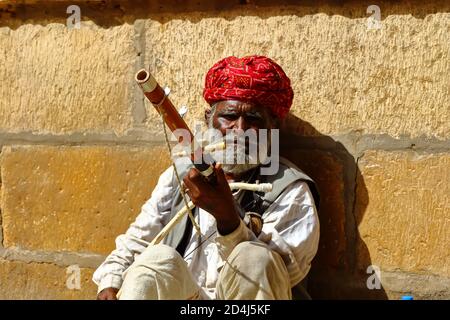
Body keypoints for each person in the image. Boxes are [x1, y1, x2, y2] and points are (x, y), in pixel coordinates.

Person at [93, 55, 320, 300]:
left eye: (253, 119)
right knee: (155, 261)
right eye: (229, 117)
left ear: (273, 129)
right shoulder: (180, 175)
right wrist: (111, 284)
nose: (240, 130)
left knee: (254, 257)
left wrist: (229, 220)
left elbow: (284, 272)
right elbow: (138, 240)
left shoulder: (290, 189)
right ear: (209, 121)